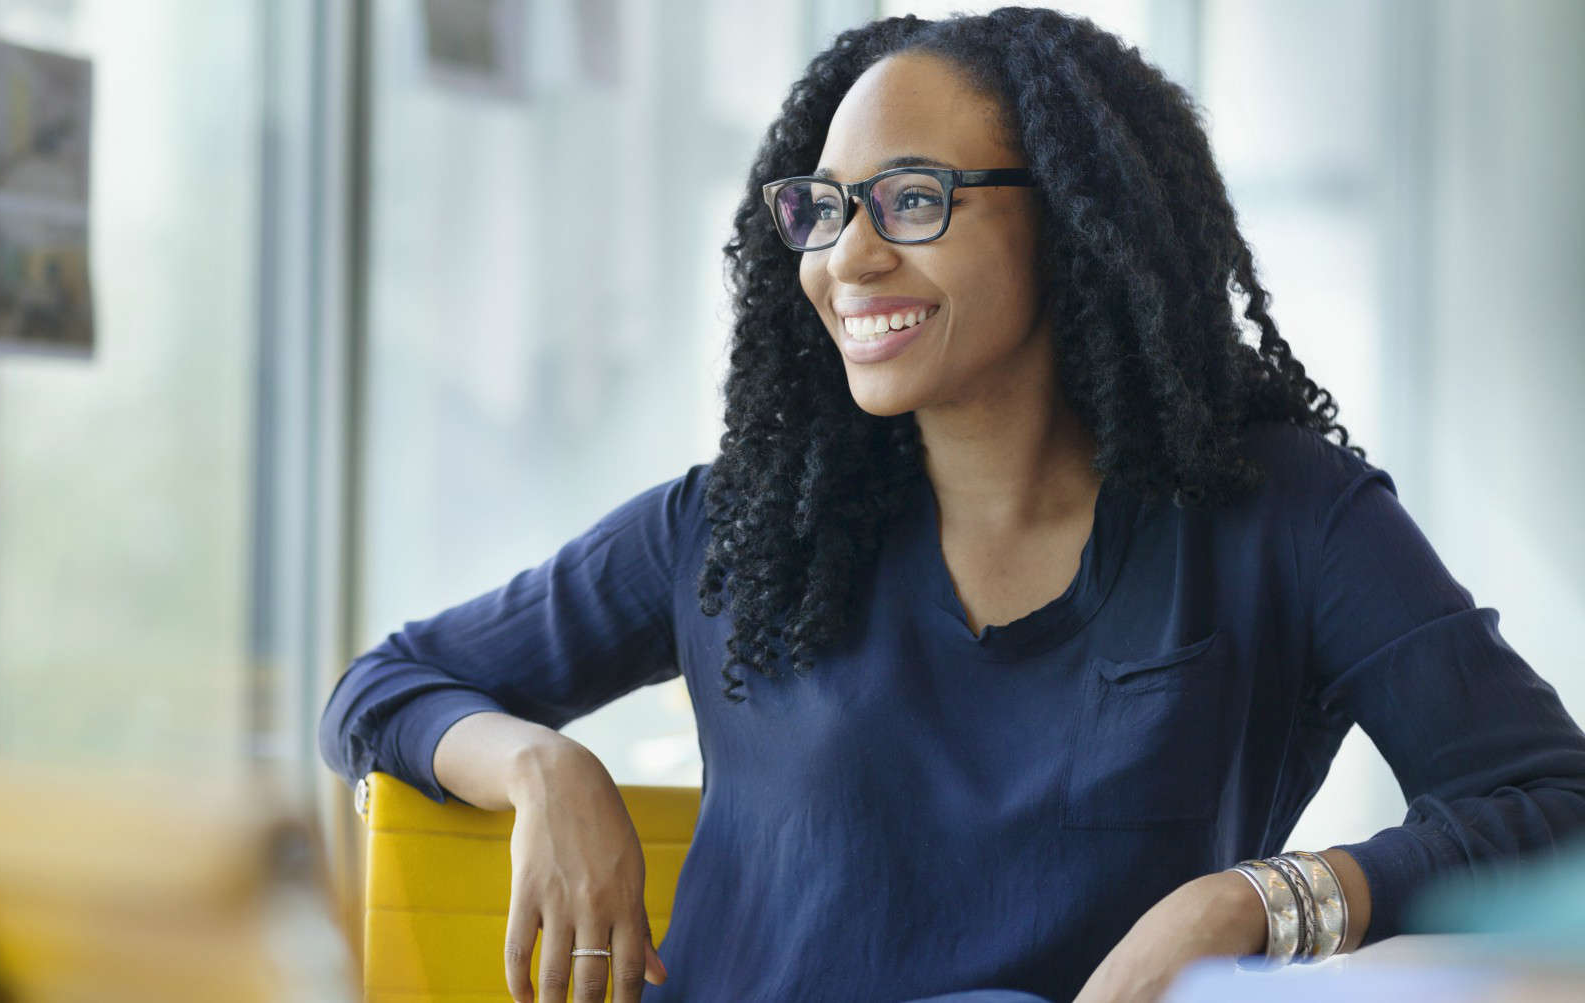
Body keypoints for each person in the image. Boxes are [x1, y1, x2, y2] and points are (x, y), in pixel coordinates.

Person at [318, 8, 1585, 1002]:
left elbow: (1552, 806)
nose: (847, 257)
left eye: (914, 201)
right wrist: (544, 766)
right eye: (820, 211)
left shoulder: (1284, 519)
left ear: (1079, 229)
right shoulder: (740, 527)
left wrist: (1250, 903)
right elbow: (383, 687)